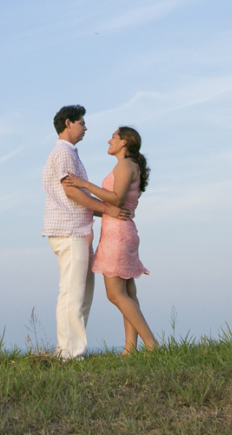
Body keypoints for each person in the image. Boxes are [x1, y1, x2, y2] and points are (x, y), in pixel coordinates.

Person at [41, 106, 130, 359]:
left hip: (77, 230)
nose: (86, 127)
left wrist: (105, 211)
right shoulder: (63, 152)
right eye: (82, 123)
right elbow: (72, 192)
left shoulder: (69, 153)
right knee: (73, 292)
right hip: (69, 231)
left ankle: (71, 350)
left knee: (82, 294)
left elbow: (78, 195)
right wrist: (107, 209)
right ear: (68, 123)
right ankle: (69, 354)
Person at [64, 126, 157, 354]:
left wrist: (83, 185)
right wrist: (91, 207)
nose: (109, 141)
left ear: (125, 141)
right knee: (128, 293)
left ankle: (152, 345)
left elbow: (116, 199)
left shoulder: (125, 165)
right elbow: (112, 207)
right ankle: (129, 349)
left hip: (118, 235)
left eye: (113, 137)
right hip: (121, 230)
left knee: (115, 294)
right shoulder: (127, 165)